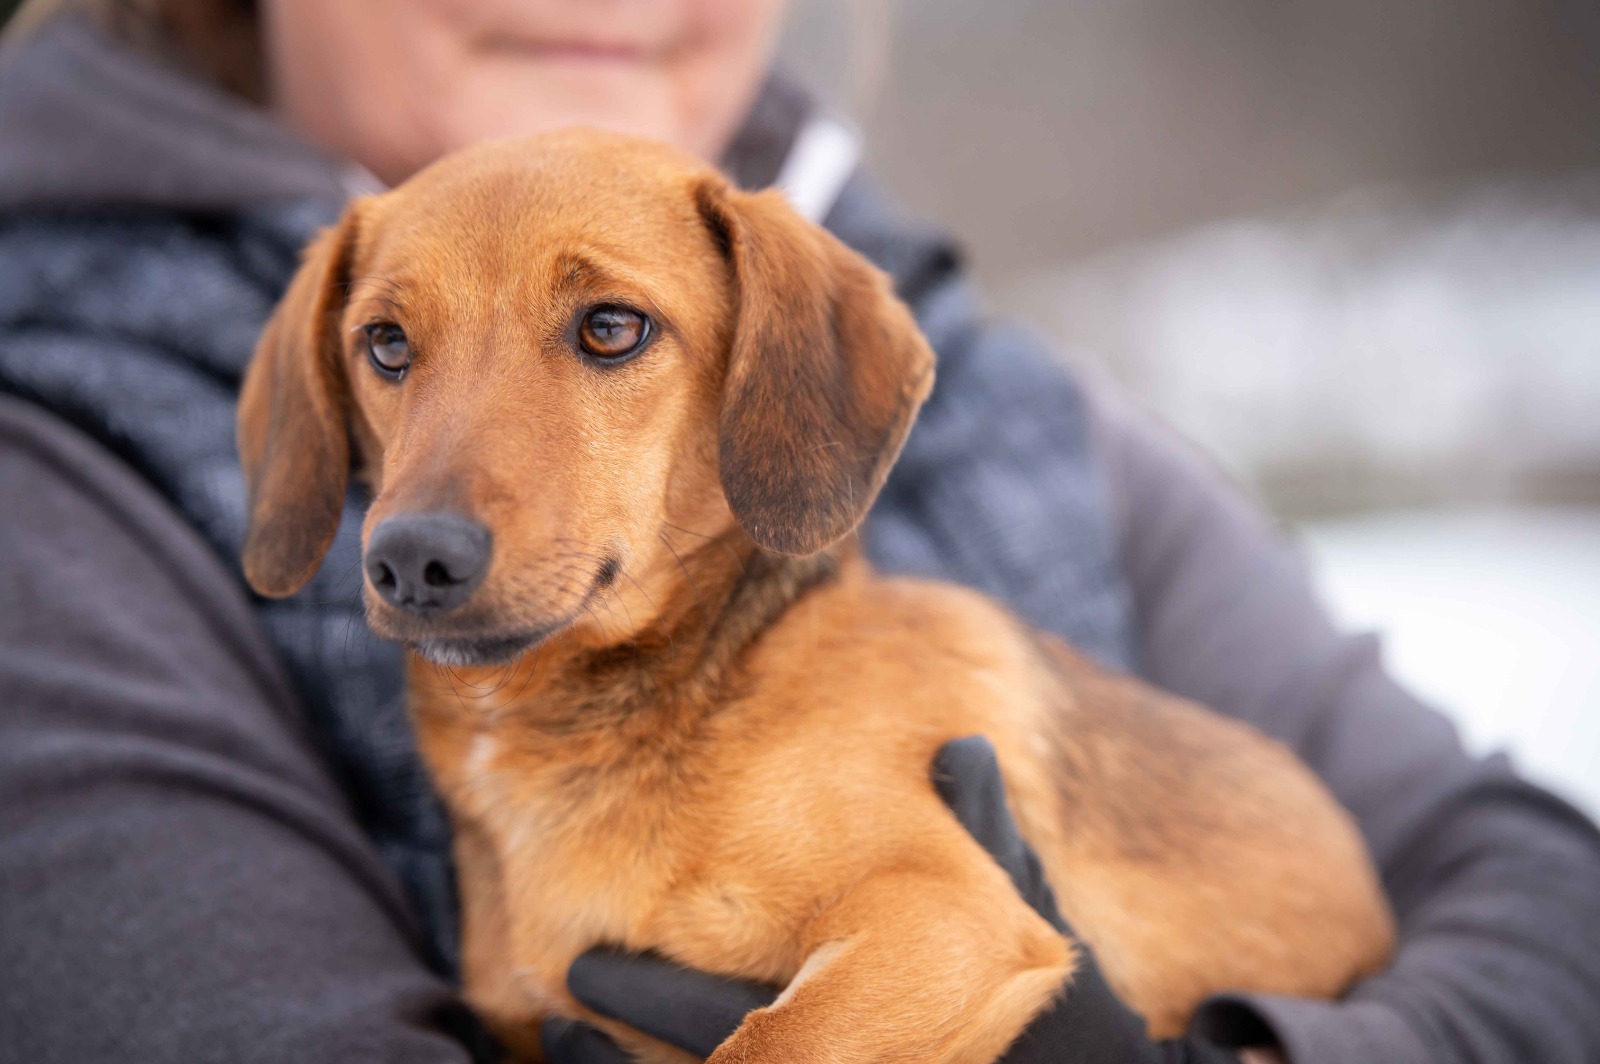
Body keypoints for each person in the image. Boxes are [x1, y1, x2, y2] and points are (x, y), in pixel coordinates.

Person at [0, 1, 1596, 1062]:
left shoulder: (1017, 404)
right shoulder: (49, 485)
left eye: (608, 332)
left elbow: (1549, 905)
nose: (426, 519)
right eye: (394, 351)